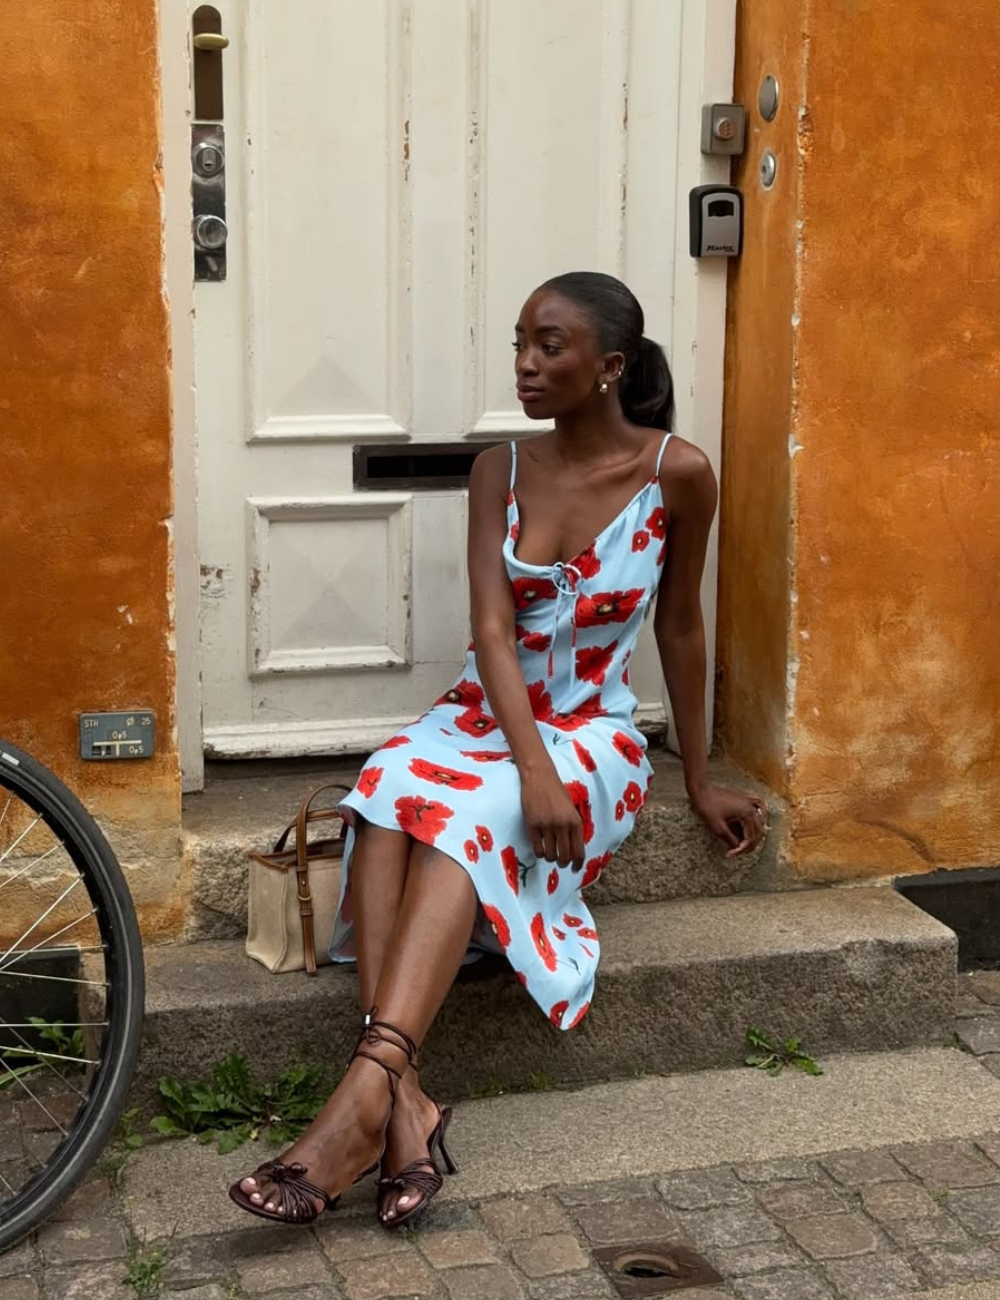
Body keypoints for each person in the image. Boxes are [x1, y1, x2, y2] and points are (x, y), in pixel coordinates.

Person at [229, 270, 768, 1229]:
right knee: (389, 787)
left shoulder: (678, 473)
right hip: (488, 717)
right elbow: (489, 631)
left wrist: (700, 777)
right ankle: (398, 1102)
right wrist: (526, 764)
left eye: (548, 346)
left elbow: (680, 628)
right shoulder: (499, 472)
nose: (524, 363)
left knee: (458, 816)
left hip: (593, 737)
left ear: (609, 367)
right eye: (520, 341)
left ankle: (364, 1103)